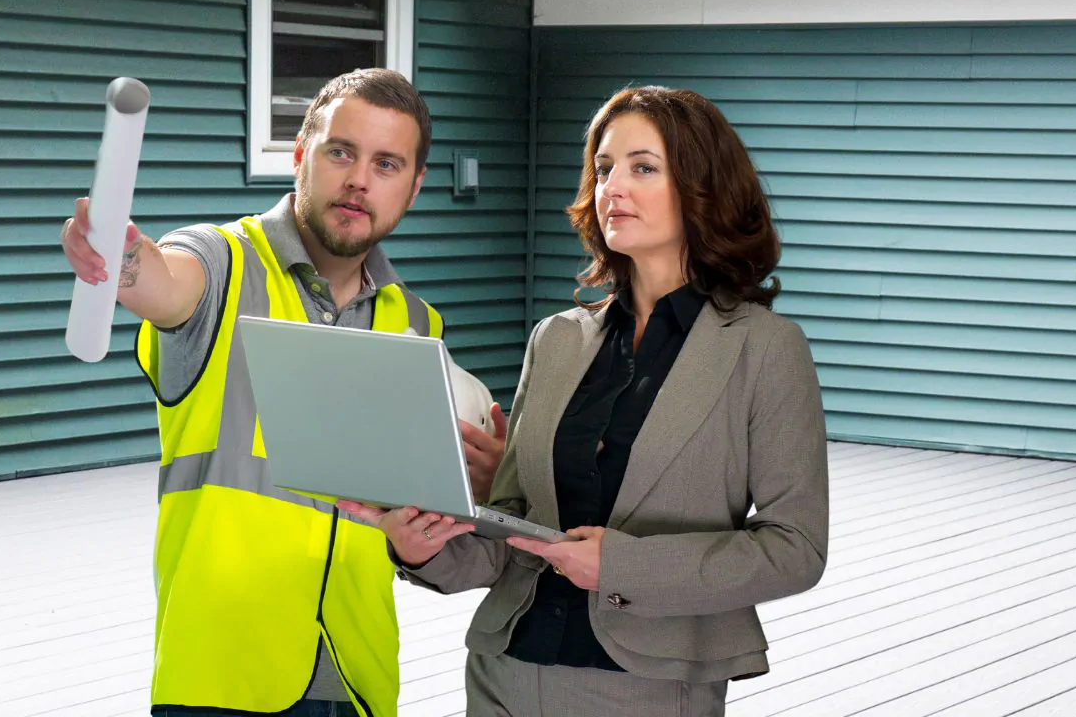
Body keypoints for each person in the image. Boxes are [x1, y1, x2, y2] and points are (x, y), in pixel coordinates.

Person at [341, 85, 830, 716]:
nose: (612, 188)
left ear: (703, 187)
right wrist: (418, 548)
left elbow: (796, 549)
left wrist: (623, 565)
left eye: (642, 168)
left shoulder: (765, 349)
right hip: (504, 669)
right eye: (603, 169)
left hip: (649, 684)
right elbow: (512, 525)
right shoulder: (558, 340)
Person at [60, 68, 506, 717]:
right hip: (222, 681)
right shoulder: (223, 263)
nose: (359, 179)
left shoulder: (415, 325)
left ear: (413, 188)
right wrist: (119, 260)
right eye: (341, 152)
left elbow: (396, 512)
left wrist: (433, 520)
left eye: (386, 164)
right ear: (301, 154)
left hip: (357, 678)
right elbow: (162, 280)